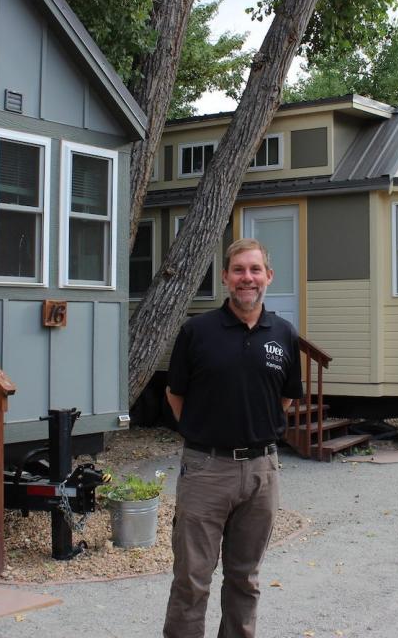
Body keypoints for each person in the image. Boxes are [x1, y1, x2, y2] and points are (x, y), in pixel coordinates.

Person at [163, 237, 303, 638]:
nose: (248, 278)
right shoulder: (197, 331)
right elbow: (175, 393)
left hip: (262, 472)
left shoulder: (283, 334)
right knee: (192, 580)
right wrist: (205, 433)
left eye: (255, 270)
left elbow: (287, 397)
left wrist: (257, 432)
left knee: (245, 579)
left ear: (268, 277)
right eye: (239, 270)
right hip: (206, 470)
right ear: (225, 277)